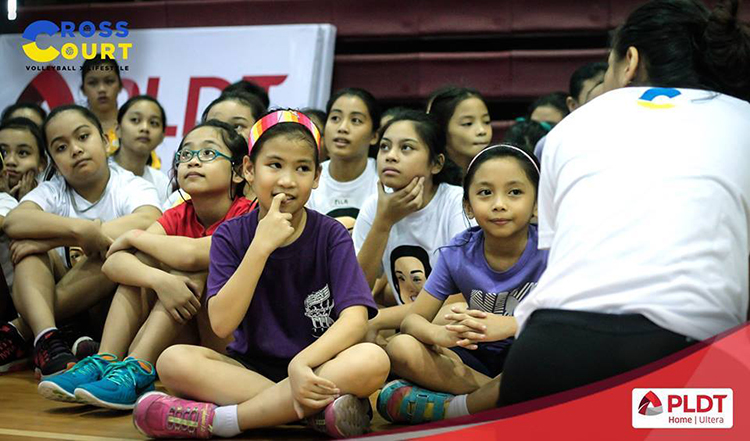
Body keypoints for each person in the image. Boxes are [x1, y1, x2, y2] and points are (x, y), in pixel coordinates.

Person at [502, 0, 750, 405]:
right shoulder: (744, 119)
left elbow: (559, 258)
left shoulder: (568, 129)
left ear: (630, 61)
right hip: (688, 362)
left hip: (547, 354)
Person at [131, 110, 389, 439]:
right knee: (172, 361)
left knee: (372, 358)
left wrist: (301, 365)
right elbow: (222, 324)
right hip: (247, 369)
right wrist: (260, 247)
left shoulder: (331, 234)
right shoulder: (231, 236)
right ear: (249, 171)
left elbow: (354, 320)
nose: (287, 180)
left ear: (317, 177)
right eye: (275, 165)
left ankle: (225, 421)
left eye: (302, 168)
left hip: (319, 365)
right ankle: (308, 414)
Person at [37, 120, 254, 409]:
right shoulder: (178, 214)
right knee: (145, 264)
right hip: (183, 337)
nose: (193, 162)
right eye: (186, 155)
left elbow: (193, 255)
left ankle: (137, 368)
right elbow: (113, 264)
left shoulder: (249, 215)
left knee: (191, 269)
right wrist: (158, 281)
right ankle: (106, 360)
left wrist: (135, 236)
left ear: (239, 172)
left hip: (234, 344)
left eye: (208, 154)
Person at [377, 145, 547, 424]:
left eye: (515, 192)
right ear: (468, 205)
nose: (499, 204)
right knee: (401, 348)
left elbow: (570, 320)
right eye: (485, 193)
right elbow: (411, 321)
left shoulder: (551, 248)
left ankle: (455, 409)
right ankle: (499, 401)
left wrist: (510, 325)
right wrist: (439, 335)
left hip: (528, 356)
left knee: (550, 356)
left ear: (537, 203)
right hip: (473, 361)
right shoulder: (458, 253)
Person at [1, 105, 162, 379]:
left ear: (105, 140)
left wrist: (67, 238)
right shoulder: (53, 191)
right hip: (64, 302)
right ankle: (48, 340)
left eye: (83, 137)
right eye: (61, 147)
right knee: (28, 244)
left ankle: (26, 329)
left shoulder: (130, 185)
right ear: (51, 160)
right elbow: (14, 222)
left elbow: (149, 219)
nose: (75, 150)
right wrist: (80, 231)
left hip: (113, 309)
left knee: (122, 252)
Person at [353, 110, 470, 337]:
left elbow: (460, 297)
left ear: (436, 164)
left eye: (406, 148)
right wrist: (383, 223)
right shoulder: (373, 207)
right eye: (385, 147)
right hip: (409, 328)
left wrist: (378, 320)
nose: (390, 156)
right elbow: (357, 291)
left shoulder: (456, 203)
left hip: (453, 326)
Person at [0, 118, 49, 373]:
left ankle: (27, 330)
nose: (10, 161)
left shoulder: (51, 196)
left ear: (42, 163)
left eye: (22, 153)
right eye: (3, 152)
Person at [307, 88, 380, 232]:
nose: (342, 128)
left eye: (356, 120)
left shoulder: (385, 179)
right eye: (335, 118)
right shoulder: (307, 178)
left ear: (374, 136)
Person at [109, 95, 171, 203]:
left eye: (153, 123)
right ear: (118, 129)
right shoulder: (100, 173)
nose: (145, 128)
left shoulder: (162, 182)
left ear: (162, 137)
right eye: (135, 120)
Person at [426, 87, 492, 172]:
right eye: (468, 123)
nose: (482, 131)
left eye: (486, 122)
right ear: (441, 129)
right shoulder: (428, 181)